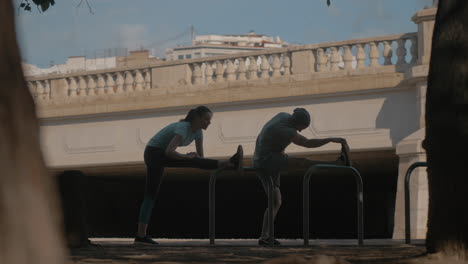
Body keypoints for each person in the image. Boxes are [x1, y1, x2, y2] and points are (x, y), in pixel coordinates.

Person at [135, 106, 243, 245]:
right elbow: (169, 152)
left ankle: (140, 236)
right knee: (151, 194)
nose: (209, 123)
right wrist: (188, 158)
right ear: (197, 118)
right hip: (153, 153)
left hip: (161, 154)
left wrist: (194, 157)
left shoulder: (198, 132)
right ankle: (229, 162)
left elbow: (201, 159)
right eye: (206, 119)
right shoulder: (183, 128)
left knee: (151, 195)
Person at [253, 108, 351, 245]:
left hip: (263, 158)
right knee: (302, 162)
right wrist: (331, 139)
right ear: (297, 122)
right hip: (267, 160)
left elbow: (266, 137)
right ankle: (338, 163)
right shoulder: (285, 130)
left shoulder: (283, 116)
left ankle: (264, 237)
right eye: (302, 128)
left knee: (275, 201)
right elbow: (307, 143)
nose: (301, 131)